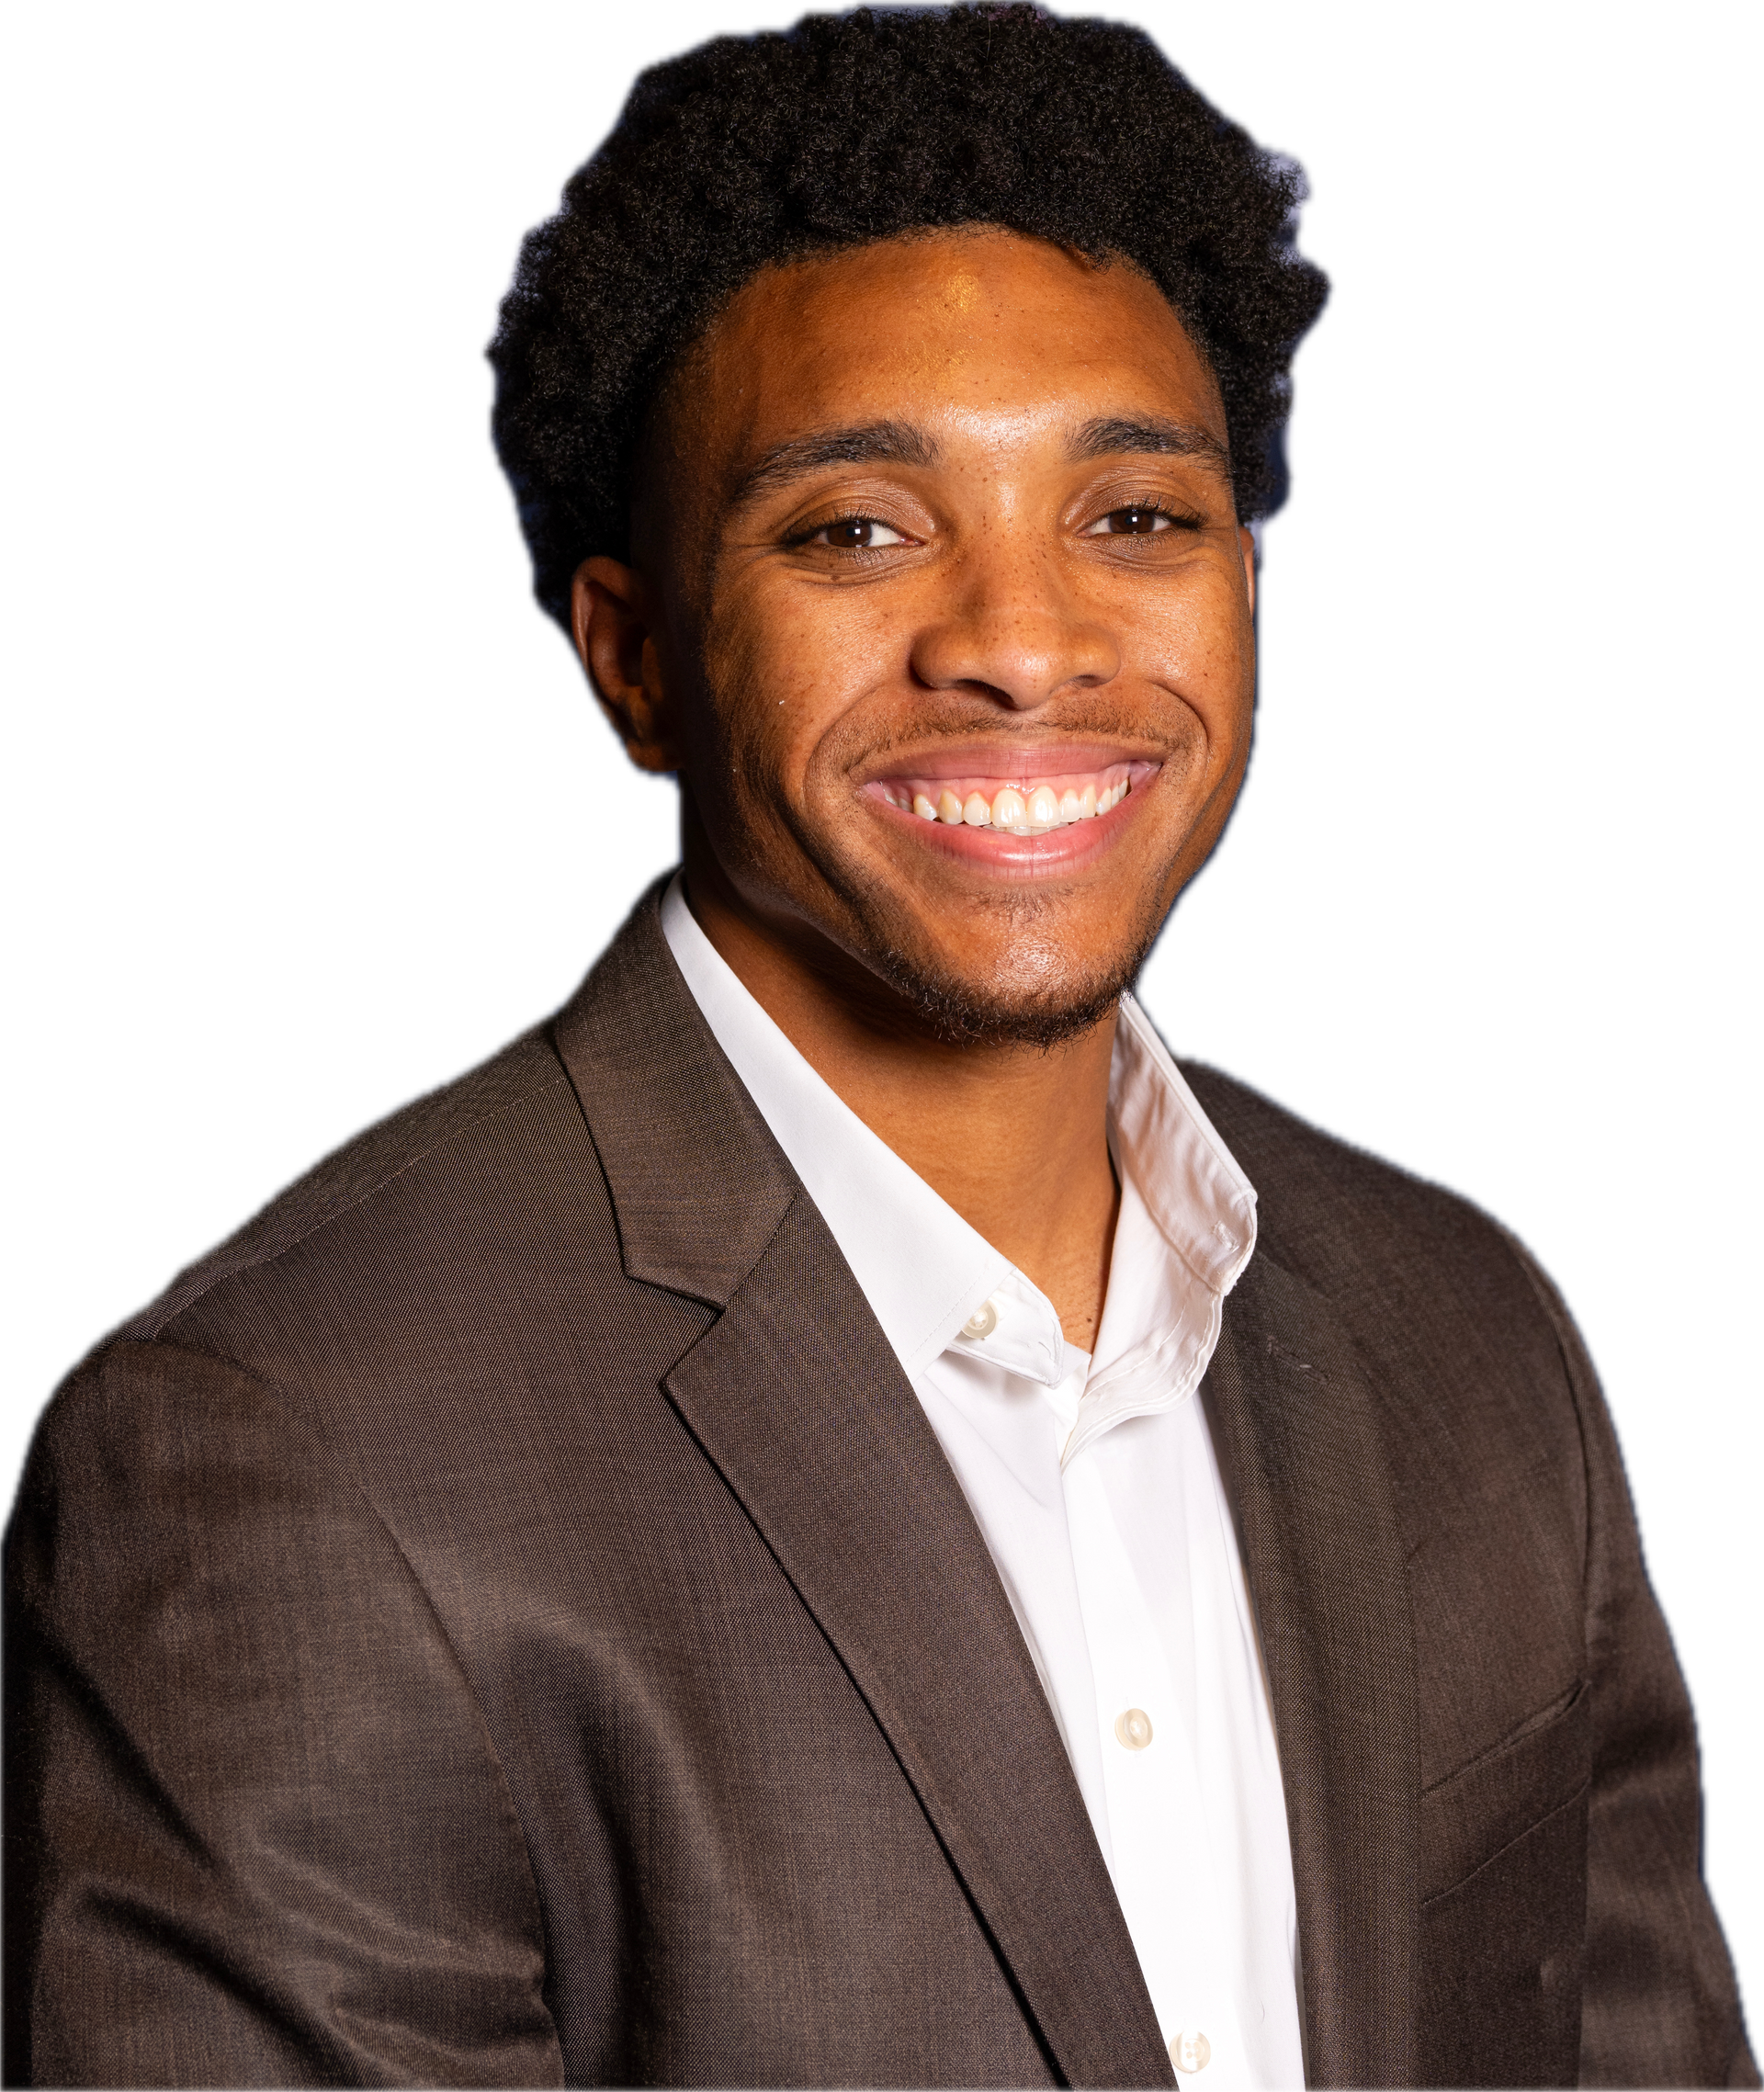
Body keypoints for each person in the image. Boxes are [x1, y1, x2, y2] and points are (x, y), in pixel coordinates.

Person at [5, 6, 1752, 2086]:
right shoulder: (300, 1446)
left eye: (1134, 516)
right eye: (856, 528)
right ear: (634, 659)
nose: (1019, 642)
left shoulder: (1465, 1330)